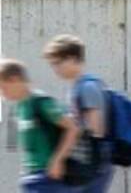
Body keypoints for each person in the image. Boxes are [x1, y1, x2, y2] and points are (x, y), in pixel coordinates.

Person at [43, 34, 114, 193]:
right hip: (88, 162)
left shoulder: (87, 87)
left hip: (95, 162)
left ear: (73, 59)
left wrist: (69, 130)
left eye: (58, 63)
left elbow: (96, 129)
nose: (55, 69)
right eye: (53, 64)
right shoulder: (77, 87)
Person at [0, 58, 80, 193]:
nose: (2, 94)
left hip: (48, 179)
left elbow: (73, 128)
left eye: (2, 87)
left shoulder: (41, 102)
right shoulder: (19, 108)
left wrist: (58, 160)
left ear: (15, 79)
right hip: (31, 178)